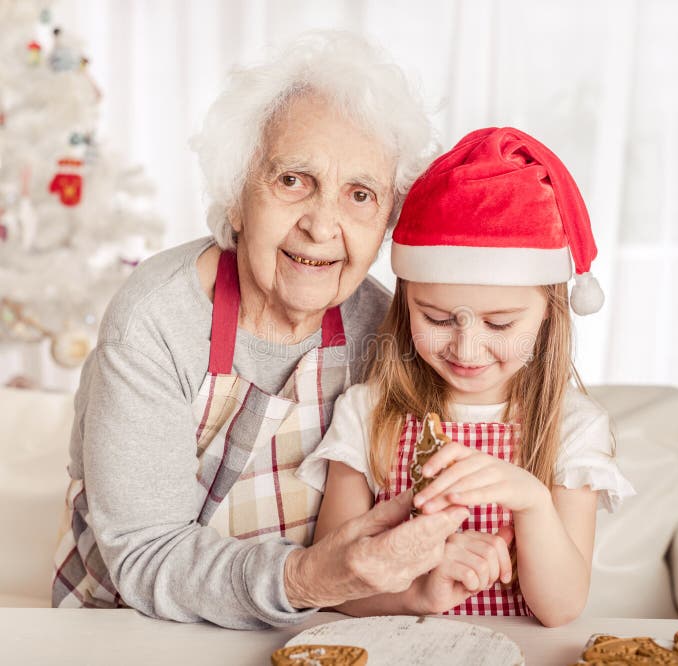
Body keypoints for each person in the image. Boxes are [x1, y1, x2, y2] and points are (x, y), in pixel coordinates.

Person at [51, 31, 486, 630]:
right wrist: (312, 576)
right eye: (293, 180)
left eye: (360, 195)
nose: (322, 224)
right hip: (128, 628)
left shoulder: (382, 330)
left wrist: (415, 578)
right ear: (236, 196)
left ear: (387, 221)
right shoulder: (156, 320)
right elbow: (146, 555)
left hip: (301, 628)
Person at [296, 126, 636, 627]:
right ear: (406, 303)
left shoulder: (572, 427)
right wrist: (416, 590)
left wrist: (532, 501)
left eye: (500, 323)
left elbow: (561, 608)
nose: (466, 348)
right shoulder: (368, 413)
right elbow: (334, 586)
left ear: (549, 316)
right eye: (435, 318)